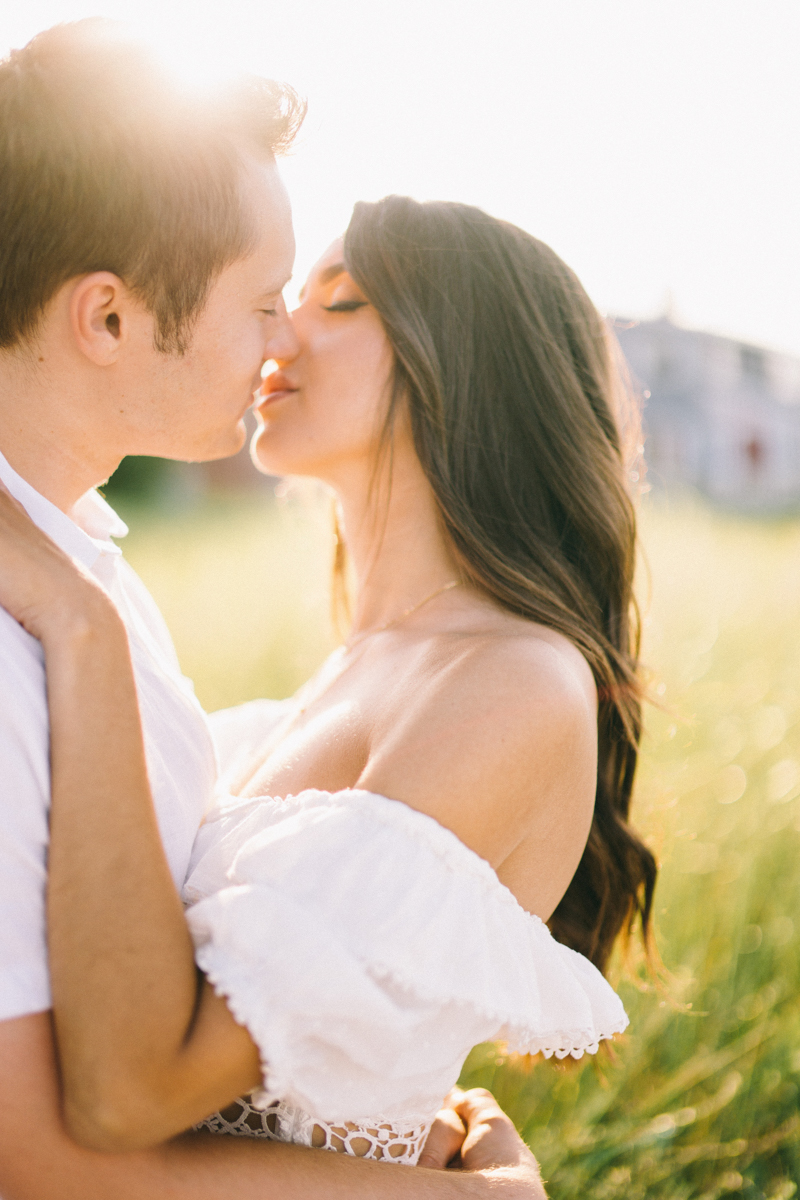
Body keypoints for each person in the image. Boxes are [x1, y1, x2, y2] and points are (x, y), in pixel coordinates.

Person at [0, 19, 546, 1200]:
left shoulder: (90, 579)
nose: (280, 335)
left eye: (332, 303)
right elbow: (37, 1150)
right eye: (266, 299)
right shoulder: (37, 629)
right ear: (108, 319)